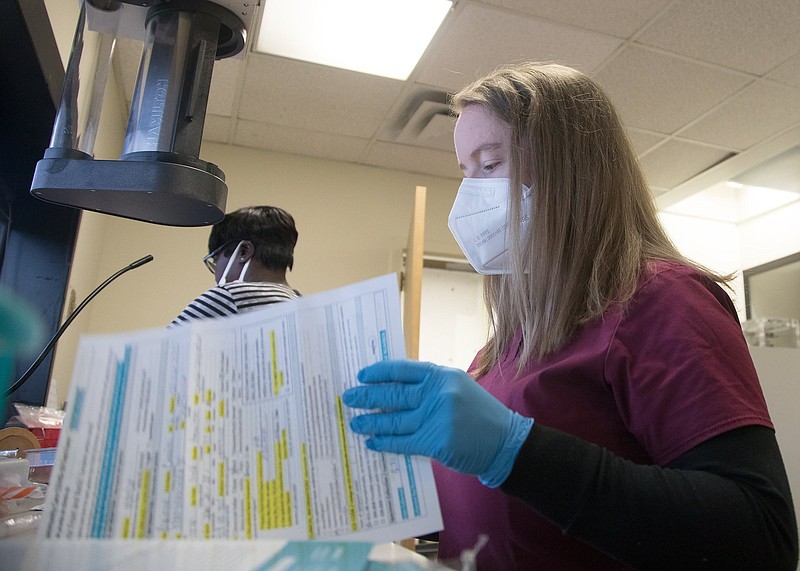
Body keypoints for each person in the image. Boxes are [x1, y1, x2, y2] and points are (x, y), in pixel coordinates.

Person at [342, 63, 798, 569]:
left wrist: (514, 451)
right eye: (464, 172)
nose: (468, 196)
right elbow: (506, 510)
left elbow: (762, 538)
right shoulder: (508, 341)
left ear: (569, 172)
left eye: (489, 165)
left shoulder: (661, 300)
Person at [171, 205, 300, 326]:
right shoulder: (300, 303)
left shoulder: (230, 295)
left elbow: (164, 347)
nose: (216, 275)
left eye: (215, 261)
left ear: (244, 251)